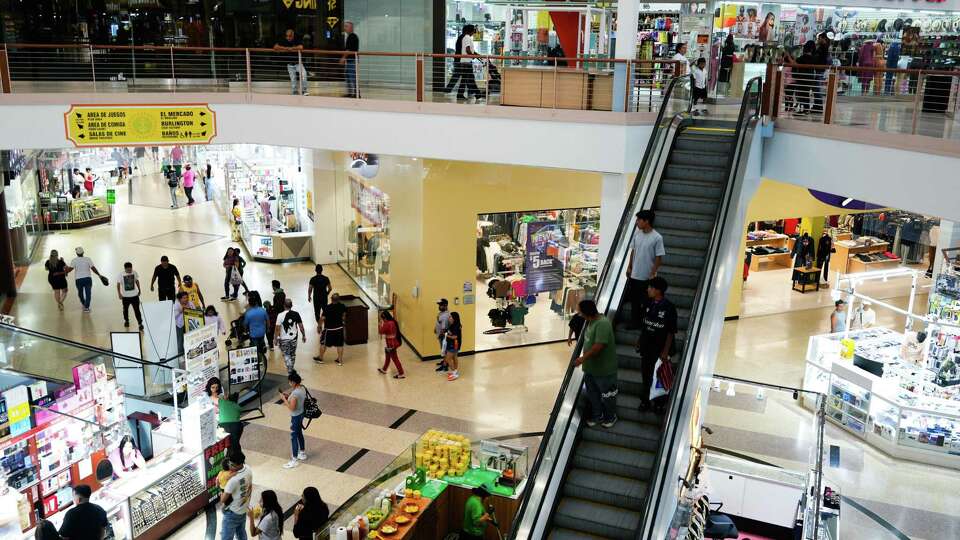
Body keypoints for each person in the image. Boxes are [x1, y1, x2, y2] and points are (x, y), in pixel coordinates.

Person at [575, 299, 618, 427]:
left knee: (608, 395)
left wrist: (582, 359)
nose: (579, 313)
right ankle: (597, 415)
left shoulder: (602, 323)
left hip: (604, 370)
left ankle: (610, 417)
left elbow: (599, 346)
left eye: (580, 311)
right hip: (590, 369)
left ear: (586, 312)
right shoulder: (590, 322)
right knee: (593, 394)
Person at [638, 277, 678, 414]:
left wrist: (665, 351)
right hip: (647, 347)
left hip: (660, 349)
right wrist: (639, 341)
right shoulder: (648, 303)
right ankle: (645, 400)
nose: (647, 289)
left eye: (650, 287)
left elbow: (671, 331)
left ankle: (660, 404)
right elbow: (645, 324)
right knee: (646, 375)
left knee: (660, 377)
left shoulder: (669, 307)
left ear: (658, 290)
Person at [626, 210, 664, 329]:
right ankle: (634, 322)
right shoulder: (637, 234)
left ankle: (645, 322)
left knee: (646, 301)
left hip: (647, 276)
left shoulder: (657, 237)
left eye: (639, 220)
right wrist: (629, 266)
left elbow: (659, 257)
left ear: (646, 221)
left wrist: (653, 273)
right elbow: (633, 250)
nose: (637, 222)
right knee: (634, 301)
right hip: (634, 275)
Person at [220, 451, 253, 540]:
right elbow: (250, 487)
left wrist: (221, 487)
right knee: (241, 533)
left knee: (226, 537)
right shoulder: (248, 469)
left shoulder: (233, 480)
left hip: (232, 512)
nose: (229, 466)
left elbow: (223, 499)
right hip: (243, 508)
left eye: (231, 464)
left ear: (237, 465)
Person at [280, 371, 308, 468]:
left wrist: (284, 399)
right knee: (299, 433)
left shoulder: (295, 393)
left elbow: (292, 408)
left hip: (295, 416)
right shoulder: (302, 388)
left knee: (294, 436)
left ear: (293, 382)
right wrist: (288, 397)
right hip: (301, 414)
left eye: (289, 382)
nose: (289, 383)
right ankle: (302, 453)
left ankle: (294, 459)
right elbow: (297, 401)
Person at [65, 247, 104, 313]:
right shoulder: (88, 259)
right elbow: (93, 268)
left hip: (78, 280)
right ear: (83, 252)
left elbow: (70, 270)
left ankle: (84, 304)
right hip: (88, 279)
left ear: (76, 253)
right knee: (88, 293)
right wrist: (99, 275)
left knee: (80, 293)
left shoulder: (74, 260)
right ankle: (86, 307)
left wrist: (65, 271)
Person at [315, 293, 347, 365]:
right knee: (340, 344)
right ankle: (340, 360)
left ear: (331, 299)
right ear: (339, 299)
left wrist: (319, 327)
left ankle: (320, 358)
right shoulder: (342, 306)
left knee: (323, 343)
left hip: (329, 330)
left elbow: (322, 318)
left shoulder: (327, 308)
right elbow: (344, 317)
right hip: (339, 329)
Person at [276, 299, 306, 373]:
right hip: (294, 338)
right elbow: (301, 326)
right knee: (292, 354)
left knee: (286, 354)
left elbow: (277, 329)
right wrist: (303, 335)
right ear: (291, 306)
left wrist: (276, 338)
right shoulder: (296, 314)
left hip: (284, 339)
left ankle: (290, 369)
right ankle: (291, 368)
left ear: (284, 306)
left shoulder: (280, 315)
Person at [452, 25, 482, 101]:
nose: (474, 32)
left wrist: (477, 55)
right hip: (466, 62)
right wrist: (473, 56)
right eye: (473, 31)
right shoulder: (467, 37)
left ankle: (460, 94)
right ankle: (478, 94)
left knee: (465, 79)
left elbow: (469, 50)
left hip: (465, 61)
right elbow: (468, 50)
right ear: (470, 31)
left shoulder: (465, 37)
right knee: (470, 79)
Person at [275, 29, 307, 96]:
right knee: (293, 79)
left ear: (293, 35)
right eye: (287, 36)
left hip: (298, 63)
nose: (288, 37)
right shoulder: (283, 41)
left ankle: (304, 91)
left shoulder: (297, 40)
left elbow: (301, 47)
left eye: (290, 36)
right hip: (289, 64)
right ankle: (295, 91)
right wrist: (286, 48)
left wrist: (292, 48)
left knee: (304, 74)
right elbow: (275, 47)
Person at [116, 261, 143, 330]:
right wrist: (119, 293)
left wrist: (139, 289)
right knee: (125, 310)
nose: (130, 271)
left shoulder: (134, 272)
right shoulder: (120, 274)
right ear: (125, 269)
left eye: (130, 269)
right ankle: (126, 321)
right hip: (125, 297)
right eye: (128, 270)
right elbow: (118, 284)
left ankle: (140, 323)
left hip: (134, 296)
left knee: (137, 310)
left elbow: (137, 281)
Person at [378, 310, 404, 379]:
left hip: (391, 344)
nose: (382, 320)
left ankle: (401, 373)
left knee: (395, 358)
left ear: (385, 318)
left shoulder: (387, 323)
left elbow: (381, 331)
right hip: (394, 342)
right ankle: (384, 369)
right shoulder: (393, 322)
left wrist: (380, 324)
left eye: (382, 318)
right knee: (387, 356)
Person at [244, 294, 270, 360]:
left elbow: (245, 324)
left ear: (249, 304)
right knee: (261, 343)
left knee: (255, 348)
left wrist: (246, 331)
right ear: (256, 302)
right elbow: (267, 320)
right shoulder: (263, 310)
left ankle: (258, 359)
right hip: (262, 332)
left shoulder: (248, 313)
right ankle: (262, 354)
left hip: (253, 334)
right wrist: (268, 328)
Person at [444, 26, 469, 94]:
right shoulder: (464, 38)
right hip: (460, 60)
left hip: (460, 60)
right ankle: (453, 91)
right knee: (460, 76)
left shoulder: (461, 37)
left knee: (460, 76)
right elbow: (466, 49)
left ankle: (451, 90)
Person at [219, 391, 245, 456]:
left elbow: (220, 397)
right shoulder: (237, 406)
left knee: (231, 443)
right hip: (236, 426)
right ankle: (237, 457)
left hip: (224, 427)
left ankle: (231, 455)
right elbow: (240, 413)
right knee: (235, 442)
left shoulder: (222, 402)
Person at [341, 21, 360, 98]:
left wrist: (343, 58)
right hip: (350, 60)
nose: (345, 28)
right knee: (348, 77)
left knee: (352, 77)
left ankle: (356, 93)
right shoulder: (350, 36)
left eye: (346, 26)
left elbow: (348, 50)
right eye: (344, 26)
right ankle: (351, 92)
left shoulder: (352, 36)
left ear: (351, 28)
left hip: (352, 61)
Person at [444, 312, 463, 381]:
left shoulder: (456, 326)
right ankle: (455, 371)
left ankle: (454, 373)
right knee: (455, 357)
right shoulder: (454, 325)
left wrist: (446, 335)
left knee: (448, 359)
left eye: (450, 317)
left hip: (453, 344)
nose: (449, 318)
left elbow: (455, 336)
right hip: (455, 344)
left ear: (454, 318)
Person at [434, 299, 452, 371]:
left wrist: (440, 335)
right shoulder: (442, 313)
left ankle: (445, 366)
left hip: (443, 336)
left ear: (445, 305)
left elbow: (444, 328)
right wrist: (435, 328)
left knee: (444, 350)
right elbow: (439, 322)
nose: (439, 306)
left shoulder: (445, 316)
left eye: (441, 305)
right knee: (443, 349)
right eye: (439, 305)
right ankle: (444, 361)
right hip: (441, 335)